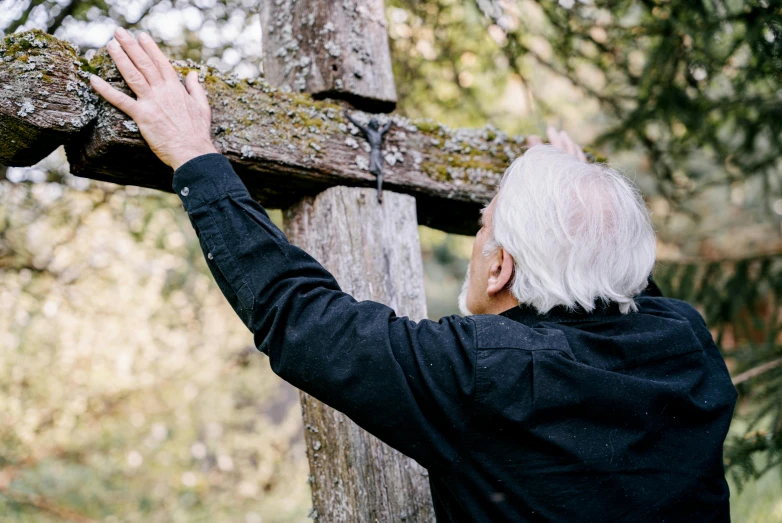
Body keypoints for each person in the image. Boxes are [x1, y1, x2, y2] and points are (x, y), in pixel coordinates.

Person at [89, 28, 738, 522]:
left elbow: (305, 320)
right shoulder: (685, 343)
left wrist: (197, 157)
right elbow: (623, 289)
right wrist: (582, 207)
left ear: (501, 267)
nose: (479, 234)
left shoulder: (483, 371)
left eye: (484, 227)